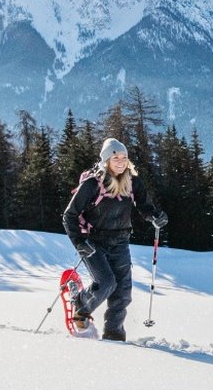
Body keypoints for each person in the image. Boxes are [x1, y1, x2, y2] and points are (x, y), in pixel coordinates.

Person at [61, 137, 165, 342]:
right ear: (106, 160)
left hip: (120, 241)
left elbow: (145, 206)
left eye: (124, 157)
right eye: (115, 157)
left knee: (123, 291)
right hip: (93, 242)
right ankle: (80, 303)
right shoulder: (92, 184)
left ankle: (114, 333)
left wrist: (155, 216)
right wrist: (80, 243)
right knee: (107, 282)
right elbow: (69, 215)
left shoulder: (133, 181)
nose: (121, 161)